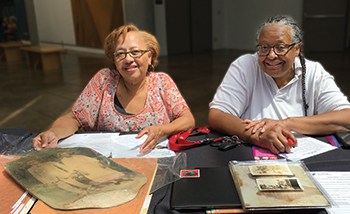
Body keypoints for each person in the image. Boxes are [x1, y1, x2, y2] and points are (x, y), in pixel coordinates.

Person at [33, 24, 195, 153]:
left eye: (135, 52)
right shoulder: (104, 81)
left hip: (154, 162)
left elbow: (187, 119)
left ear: (150, 56)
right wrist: (53, 133)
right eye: (120, 54)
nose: (128, 59)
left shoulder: (161, 82)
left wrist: (162, 130)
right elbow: (74, 118)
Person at [208, 15, 350, 154]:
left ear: (297, 48)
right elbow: (217, 115)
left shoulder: (313, 72)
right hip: (253, 155)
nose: (271, 55)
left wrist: (285, 123)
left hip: (301, 155)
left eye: (280, 47)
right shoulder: (245, 66)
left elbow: (346, 117)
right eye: (264, 48)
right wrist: (257, 136)